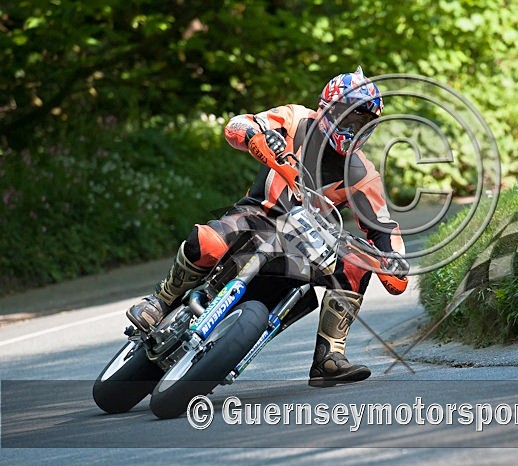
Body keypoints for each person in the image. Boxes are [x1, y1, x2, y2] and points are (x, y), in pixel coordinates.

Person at [126, 66, 406, 386]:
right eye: (348, 118)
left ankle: (330, 355)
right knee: (207, 242)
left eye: (362, 122)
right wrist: (257, 134)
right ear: (328, 108)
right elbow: (238, 124)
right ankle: (159, 301)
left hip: (305, 240)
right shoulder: (295, 119)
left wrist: (393, 258)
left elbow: (384, 227)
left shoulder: (363, 175)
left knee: (355, 266)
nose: (353, 127)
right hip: (257, 215)